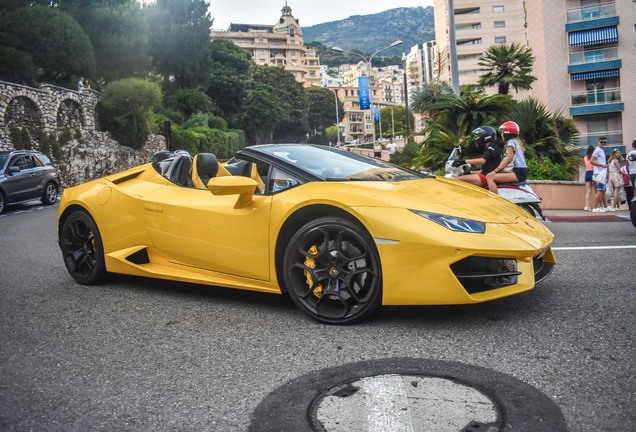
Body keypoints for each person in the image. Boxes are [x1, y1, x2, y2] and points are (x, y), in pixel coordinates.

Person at [485, 121, 528, 194]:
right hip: (521, 171)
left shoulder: (511, 142)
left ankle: (495, 200)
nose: (501, 135)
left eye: (502, 132)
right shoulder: (516, 141)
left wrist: (495, 171)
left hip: (518, 172)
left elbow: (509, 158)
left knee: (490, 178)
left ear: (507, 133)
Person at [453, 126, 501, 190]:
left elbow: (482, 161)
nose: (477, 138)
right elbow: (486, 170)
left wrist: (463, 161)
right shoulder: (490, 147)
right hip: (485, 175)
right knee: (462, 177)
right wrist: (469, 172)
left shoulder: (492, 146)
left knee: (456, 179)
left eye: (479, 136)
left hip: (486, 177)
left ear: (486, 136)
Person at [590, 136, 609, 212]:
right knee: (600, 190)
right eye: (601, 142)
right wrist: (602, 165)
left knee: (603, 190)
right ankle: (595, 207)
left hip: (602, 172)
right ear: (598, 142)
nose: (603, 143)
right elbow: (591, 161)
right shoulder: (597, 150)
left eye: (604, 142)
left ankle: (604, 207)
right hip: (599, 172)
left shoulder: (601, 150)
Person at [583, 145, 595, 211]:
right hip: (594, 172)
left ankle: (587, 206)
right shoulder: (594, 157)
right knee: (597, 190)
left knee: (588, 191)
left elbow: (587, 164)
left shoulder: (585, 157)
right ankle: (598, 205)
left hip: (587, 173)